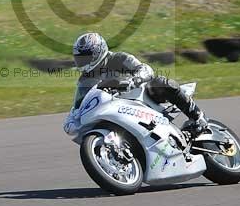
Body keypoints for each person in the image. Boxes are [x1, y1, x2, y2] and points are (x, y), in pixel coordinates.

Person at [64, 32, 207, 136]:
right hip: (114, 108)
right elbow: (81, 102)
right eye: (79, 58)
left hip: (140, 97)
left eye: (85, 57)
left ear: (97, 52)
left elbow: (145, 69)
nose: (82, 62)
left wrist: (133, 81)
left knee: (160, 83)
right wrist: (73, 117)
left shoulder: (118, 58)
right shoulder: (85, 79)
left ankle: (198, 117)